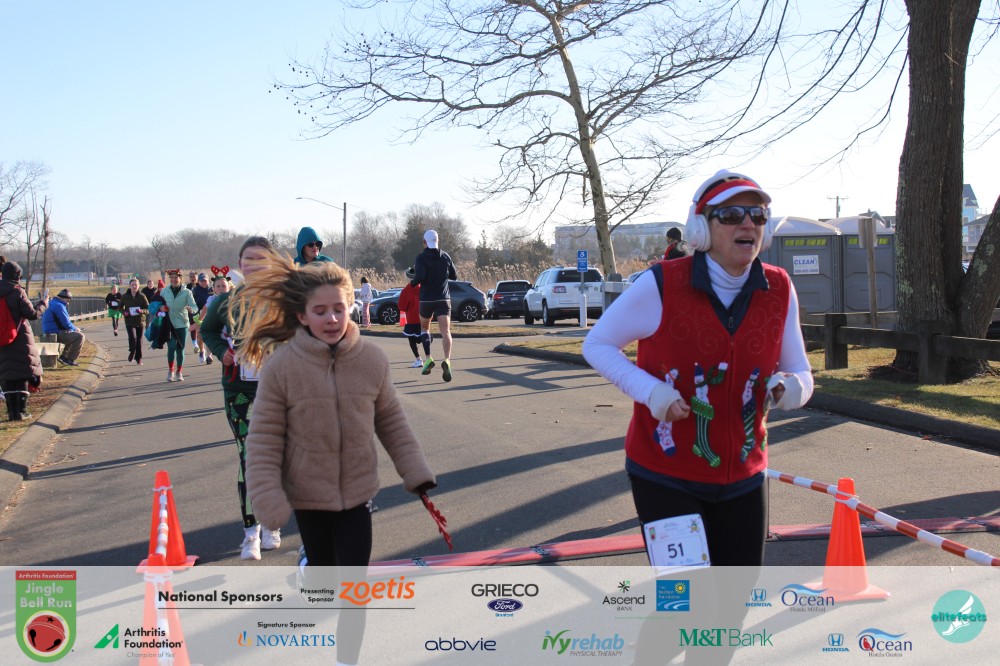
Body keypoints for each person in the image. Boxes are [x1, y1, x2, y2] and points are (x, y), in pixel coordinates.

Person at [583, 169, 813, 663]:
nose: (747, 224)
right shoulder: (661, 284)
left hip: (744, 477)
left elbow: (801, 372)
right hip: (666, 477)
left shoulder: (779, 288)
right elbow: (597, 343)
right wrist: (650, 391)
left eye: (757, 215)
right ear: (701, 228)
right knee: (682, 607)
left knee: (730, 610)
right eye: (731, 214)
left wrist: (790, 388)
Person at [240, 255, 436, 666]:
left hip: (358, 496)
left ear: (351, 307)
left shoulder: (372, 360)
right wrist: (268, 496)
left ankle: (346, 660)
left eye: (338, 308)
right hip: (308, 497)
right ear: (302, 316)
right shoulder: (282, 368)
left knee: (353, 590)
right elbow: (263, 439)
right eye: (320, 311)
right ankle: (310, 567)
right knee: (325, 586)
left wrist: (415, 471)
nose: (331, 318)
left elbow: (391, 421)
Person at [200, 237, 282, 560]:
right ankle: (251, 534)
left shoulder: (283, 300)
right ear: (240, 265)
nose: (254, 265)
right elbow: (208, 331)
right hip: (239, 392)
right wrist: (222, 352)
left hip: (276, 392)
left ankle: (272, 523)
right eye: (248, 260)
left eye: (261, 259)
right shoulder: (225, 302)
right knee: (249, 457)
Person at [0, 262, 47, 421]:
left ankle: (11, 413)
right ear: (18, 276)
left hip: (1, 339)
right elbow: (32, 314)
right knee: (21, 373)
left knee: (6, 373)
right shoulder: (17, 291)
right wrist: (43, 304)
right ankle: (21, 411)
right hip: (19, 337)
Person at [411, 229, 457, 382]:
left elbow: (420, 276)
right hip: (443, 299)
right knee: (446, 331)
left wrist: (413, 282)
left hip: (426, 300)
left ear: (424, 242)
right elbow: (454, 275)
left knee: (425, 329)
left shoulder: (421, 258)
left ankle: (428, 358)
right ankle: (447, 360)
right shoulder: (445, 256)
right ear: (438, 241)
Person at [159, 268, 198, 382]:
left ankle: (179, 372)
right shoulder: (165, 291)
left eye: (176, 278)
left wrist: (191, 309)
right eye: (172, 277)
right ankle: (171, 370)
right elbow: (157, 305)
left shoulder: (187, 292)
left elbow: (194, 307)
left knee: (180, 348)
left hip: (182, 324)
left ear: (180, 279)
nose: (174, 280)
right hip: (169, 324)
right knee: (171, 347)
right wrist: (160, 308)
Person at [41, 289, 85, 367]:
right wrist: (75, 329)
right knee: (80, 336)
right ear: (64, 298)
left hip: (48, 331)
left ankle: (64, 357)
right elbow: (66, 323)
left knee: (71, 334)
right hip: (55, 332)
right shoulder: (59, 306)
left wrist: (72, 329)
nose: (68, 303)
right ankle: (69, 359)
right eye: (68, 301)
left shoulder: (52, 303)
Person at [398, 267, 431, 368]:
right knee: (423, 336)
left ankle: (418, 359)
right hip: (423, 317)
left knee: (412, 340)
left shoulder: (406, 291)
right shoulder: (424, 289)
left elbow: (402, 307)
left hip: (411, 319)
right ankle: (428, 355)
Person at [121, 278, 149, 365]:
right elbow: (119, 307)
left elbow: (148, 309)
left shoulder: (142, 296)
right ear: (129, 286)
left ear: (138, 286)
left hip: (140, 321)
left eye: (135, 285)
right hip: (129, 320)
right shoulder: (125, 296)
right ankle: (132, 352)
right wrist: (124, 312)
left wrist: (142, 311)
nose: (134, 286)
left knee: (139, 340)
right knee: (132, 338)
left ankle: (139, 358)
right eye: (132, 285)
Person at [190, 272, 212, 362]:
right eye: (201, 281)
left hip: (210, 315)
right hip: (198, 315)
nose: (203, 282)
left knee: (209, 336)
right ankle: (202, 351)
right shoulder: (195, 290)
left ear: (208, 281)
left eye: (205, 280)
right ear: (198, 281)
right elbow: (191, 303)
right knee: (200, 336)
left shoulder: (212, 289)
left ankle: (209, 356)